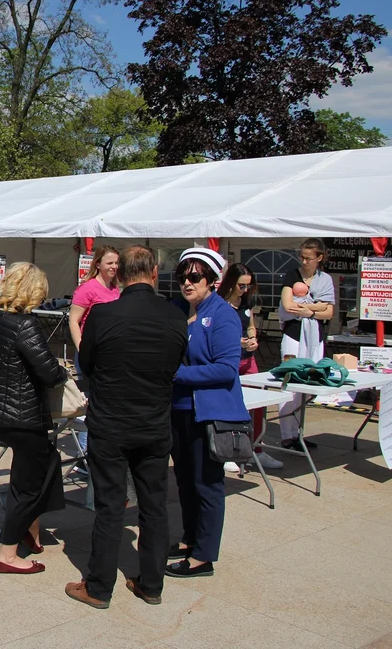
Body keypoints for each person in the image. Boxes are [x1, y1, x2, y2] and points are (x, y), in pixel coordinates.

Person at [64, 246, 187, 610]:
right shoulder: (174, 315)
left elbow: (86, 362)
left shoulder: (103, 314)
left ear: (121, 275)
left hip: (112, 422)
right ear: (154, 274)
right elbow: (176, 361)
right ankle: (152, 584)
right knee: (154, 505)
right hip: (153, 422)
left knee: (110, 505)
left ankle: (100, 587)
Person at [0, 262, 68, 575]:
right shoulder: (25, 324)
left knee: (38, 469)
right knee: (31, 485)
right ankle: (8, 554)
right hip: (23, 416)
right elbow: (49, 373)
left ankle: (31, 530)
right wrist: (64, 372)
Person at [168, 247, 249, 579]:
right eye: (182, 276)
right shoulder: (180, 311)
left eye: (195, 276)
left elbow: (226, 369)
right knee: (185, 481)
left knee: (208, 484)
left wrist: (176, 374)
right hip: (181, 410)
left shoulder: (223, 315)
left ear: (213, 281)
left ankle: (204, 555)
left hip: (210, 413)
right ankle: (191, 538)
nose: (187, 282)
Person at [218, 264, 283, 471]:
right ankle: (226, 450)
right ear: (230, 283)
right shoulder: (219, 304)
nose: (244, 290)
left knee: (257, 405)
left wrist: (253, 338)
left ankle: (257, 450)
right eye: (241, 286)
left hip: (248, 360)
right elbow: (218, 334)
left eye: (248, 286)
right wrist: (238, 342)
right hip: (230, 360)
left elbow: (250, 324)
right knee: (228, 405)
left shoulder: (246, 302)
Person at [277, 238, 335, 451]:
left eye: (308, 258)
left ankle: (298, 433)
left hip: (315, 336)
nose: (304, 261)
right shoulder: (292, 275)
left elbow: (329, 312)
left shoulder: (325, 279)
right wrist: (317, 307)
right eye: (301, 256)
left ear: (319, 258)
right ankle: (286, 435)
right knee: (289, 380)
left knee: (309, 385)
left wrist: (310, 310)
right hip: (293, 334)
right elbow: (288, 305)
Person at [68, 245, 121, 455]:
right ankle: (84, 454)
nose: (114, 267)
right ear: (98, 264)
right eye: (110, 263)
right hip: (90, 354)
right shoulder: (87, 289)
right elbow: (74, 321)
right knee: (89, 402)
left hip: (109, 355)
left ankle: (99, 449)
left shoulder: (115, 289)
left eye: (117, 263)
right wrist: (82, 349)